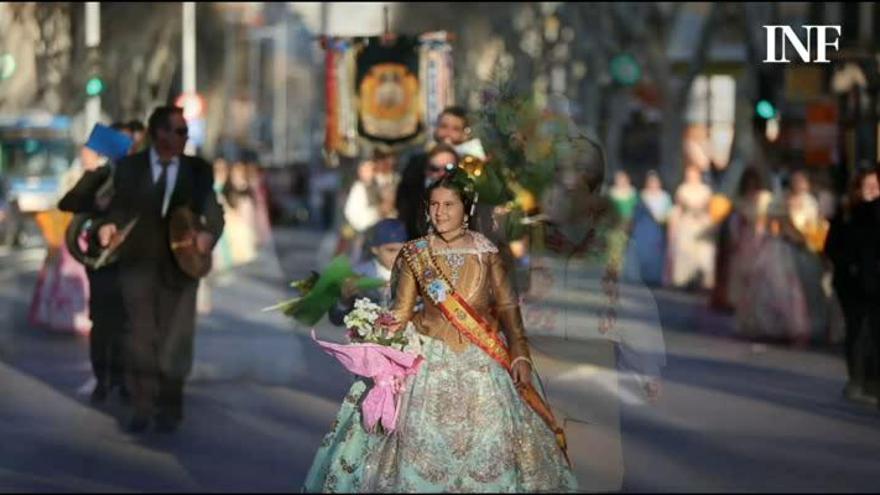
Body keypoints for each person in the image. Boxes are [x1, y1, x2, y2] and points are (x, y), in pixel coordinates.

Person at [304, 168, 576, 492]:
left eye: (449, 205)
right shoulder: (415, 253)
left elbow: (507, 311)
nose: (440, 212)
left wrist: (521, 357)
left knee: (494, 445)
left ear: (466, 209)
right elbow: (401, 312)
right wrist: (371, 327)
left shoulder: (488, 253)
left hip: (484, 365)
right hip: (428, 360)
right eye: (434, 204)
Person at [96, 105, 224, 433]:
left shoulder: (198, 171)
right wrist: (109, 227)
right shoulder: (129, 168)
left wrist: (209, 234)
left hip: (182, 270)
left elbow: (213, 210)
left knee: (174, 342)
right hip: (137, 266)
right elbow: (117, 209)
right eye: (179, 131)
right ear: (159, 134)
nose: (184, 137)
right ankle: (141, 405)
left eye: (185, 131)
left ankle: (170, 405)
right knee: (139, 338)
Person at [57, 123, 139, 403]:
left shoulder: (129, 180)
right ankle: (103, 379)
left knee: (125, 323)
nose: (84, 152)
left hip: (127, 261)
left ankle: (124, 379)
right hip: (99, 262)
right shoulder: (95, 179)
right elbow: (68, 205)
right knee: (102, 322)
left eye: (90, 148)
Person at [825, 169, 880, 404]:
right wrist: (849, 265)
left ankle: (872, 382)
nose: (871, 190)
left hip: (875, 281)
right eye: (867, 185)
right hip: (851, 283)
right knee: (857, 331)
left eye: (875, 186)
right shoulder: (847, 213)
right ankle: (857, 380)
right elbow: (832, 247)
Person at [396, 106, 470, 240]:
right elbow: (404, 205)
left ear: (465, 134)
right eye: (444, 126)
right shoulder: (416, 164)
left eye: (455, 129)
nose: (448, 133)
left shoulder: (472, 166)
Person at [328, 218, 407, 326]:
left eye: (401, 250)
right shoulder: (358, 275)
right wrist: (344, 301)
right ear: (375, 249)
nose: (397, 256)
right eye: (391, 250)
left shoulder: (410, 274)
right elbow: (336, 319)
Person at [668, 164, 716, 290]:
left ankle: (703, 281)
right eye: (689, 174)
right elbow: (679, 207)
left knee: (703, 253)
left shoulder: (705, 190)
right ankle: (684, 281)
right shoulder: (682, 189)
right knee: (686, 252)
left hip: (701, 223)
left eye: (693, 174)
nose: (691, 176)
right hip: (687, 223)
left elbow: (708, 206)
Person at [623, 170, 672, 287]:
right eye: (651, 182)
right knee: (643, 253)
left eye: (655, 182)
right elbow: (635, 214)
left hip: (657, 229)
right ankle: (643, 277)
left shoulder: (665, 196)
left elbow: (669, 212)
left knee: (656, 253)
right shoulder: (642, 196)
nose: (653, 184)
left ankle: (655, 278)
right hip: (643, 229)